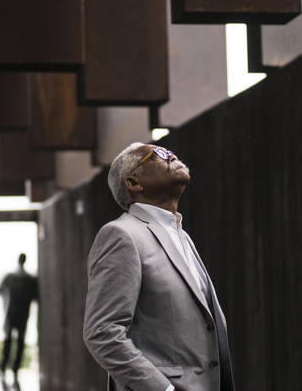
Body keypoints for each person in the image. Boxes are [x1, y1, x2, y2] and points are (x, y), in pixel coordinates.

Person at [84, 143, 235, 391]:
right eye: (160, 155)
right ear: (133, 183)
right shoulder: (121, 235)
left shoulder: (181, 236)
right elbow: (102, 332)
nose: (172, 156)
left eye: (172, 152)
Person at [0, 253, 38, 385]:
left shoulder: (10, 278)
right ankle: (14, 367)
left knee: (9, 340)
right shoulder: (28, 279)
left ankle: (4, 366)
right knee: (19, 341)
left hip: (11, 313)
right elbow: (35, 296)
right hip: (22, 315)